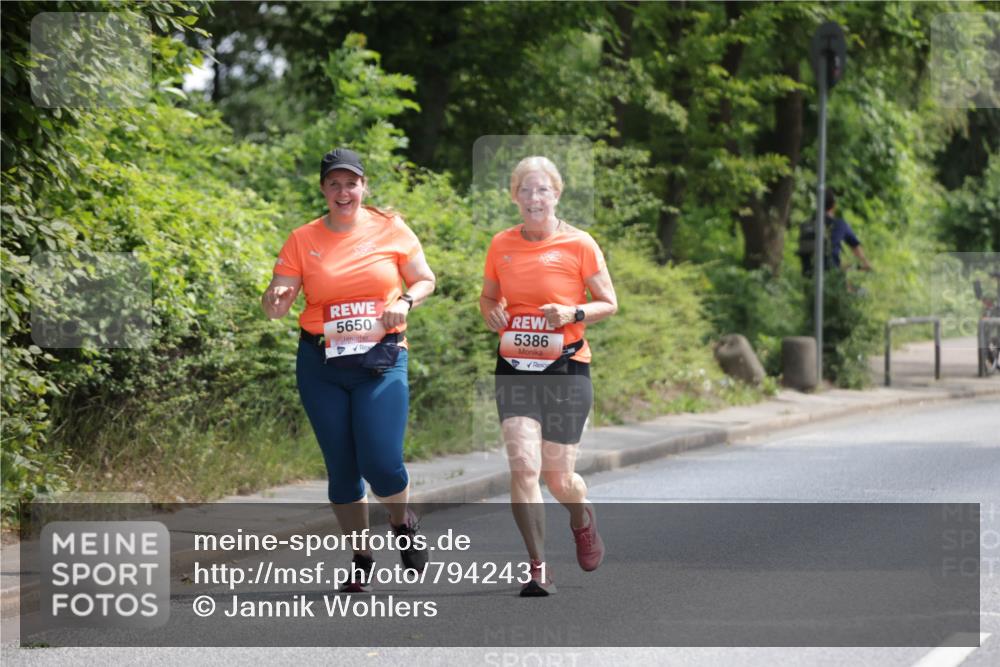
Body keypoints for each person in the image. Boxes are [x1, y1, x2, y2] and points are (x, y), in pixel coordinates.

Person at [261, 148, 436, 592]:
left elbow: (424, 278)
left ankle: (401, 520)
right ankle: (360, 557)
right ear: (323, 188)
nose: (343, 192)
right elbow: (276, 302)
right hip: (321, 362)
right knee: (341, 469)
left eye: (351, 183)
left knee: (381, 461)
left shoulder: (389, 227)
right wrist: (276, 297)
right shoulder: (303, 238)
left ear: (364, 186)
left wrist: (405, 301)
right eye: (334, 184)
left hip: (381, 359)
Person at [479, 156, 619, 597]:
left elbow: (608, 302)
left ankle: (581, 516)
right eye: (526, 190)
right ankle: (538, 566)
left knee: (560, 479)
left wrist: (572, 312)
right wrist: (492, 312)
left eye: (542, 190)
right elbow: (487, 298)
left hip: (566, 368)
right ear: (514, 196)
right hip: (516, 365)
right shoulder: (501, 244)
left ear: (556, 194)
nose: (534, 198)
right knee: (523, 467)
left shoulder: (580, 244)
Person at [798, 189, 873, 277]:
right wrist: (866, 263)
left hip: (807, 276)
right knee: (859, 290)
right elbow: (855, 246)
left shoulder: (806, 225)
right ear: (834, 205)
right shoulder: (839, 224)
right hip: (830, 278)